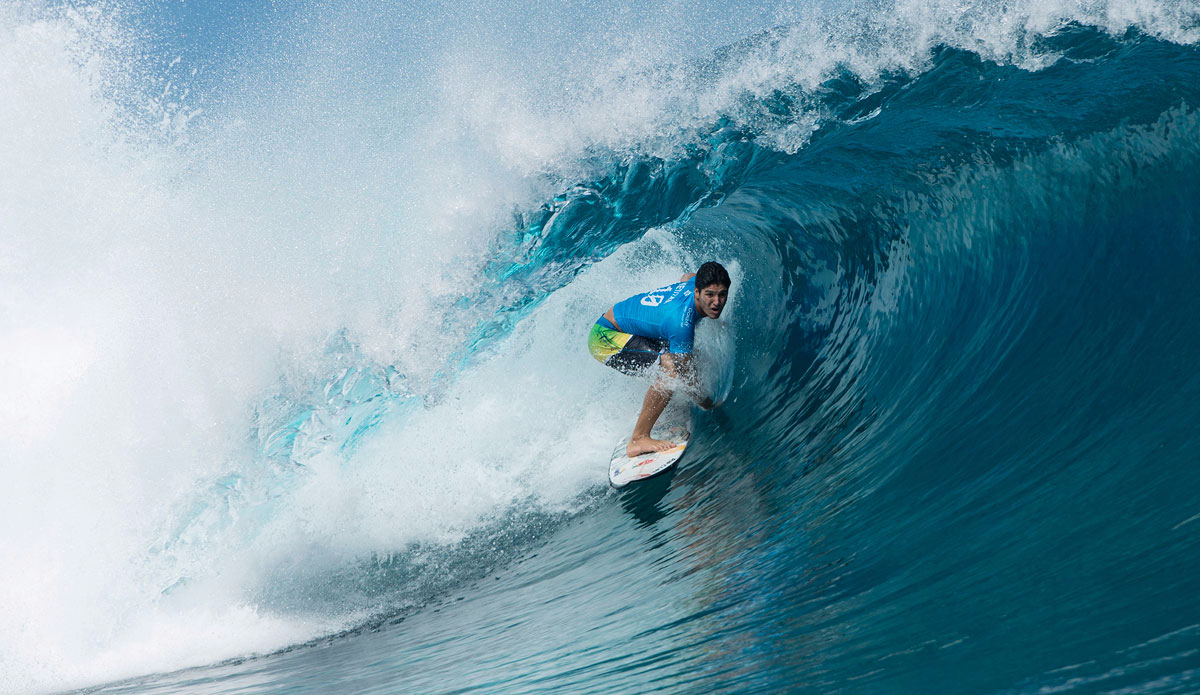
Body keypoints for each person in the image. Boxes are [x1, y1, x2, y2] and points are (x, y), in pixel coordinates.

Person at [588, 261, 731, 457]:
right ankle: (638, 439)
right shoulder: (681, 323)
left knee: (688, 355)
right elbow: (684, 374)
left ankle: (660, 404)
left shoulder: (693, 284)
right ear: (697, 293)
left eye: (722, 295)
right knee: (672, 369)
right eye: (710, 295)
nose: (716, 302)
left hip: (626, 329)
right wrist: (706, 403)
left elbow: (687, 276)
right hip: (605, 339)